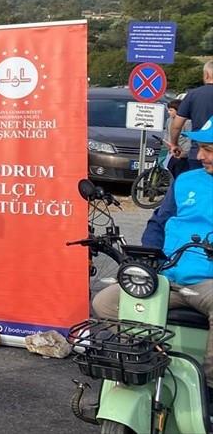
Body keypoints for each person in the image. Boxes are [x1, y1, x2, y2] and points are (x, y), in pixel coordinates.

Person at [92, 118, 213, 391]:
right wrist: (147, 261)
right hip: (169, 275)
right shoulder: (186, 181)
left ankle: (209, 389)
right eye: (201, 148)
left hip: (207, 283)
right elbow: (158, 223)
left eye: (208, 149)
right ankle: (146, 361)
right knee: (106, 302)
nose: (201, 156)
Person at [167, 60, 213, 175]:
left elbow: (176, 126)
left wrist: (174, 144)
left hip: (198, 152)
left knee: (198, 187)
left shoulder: (193, 95)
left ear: (206, 75)